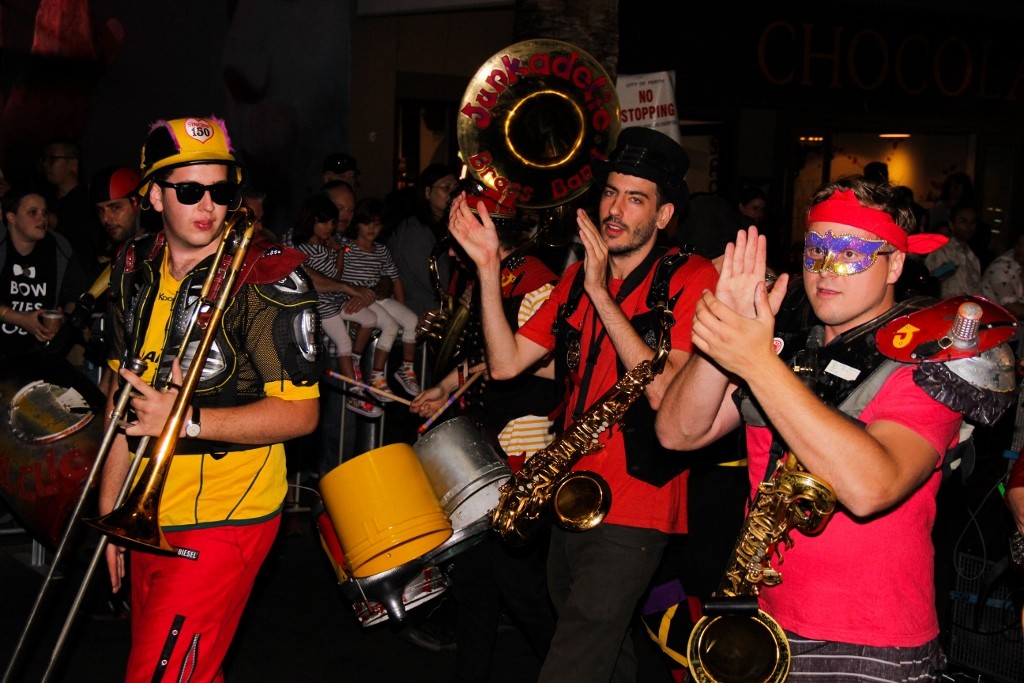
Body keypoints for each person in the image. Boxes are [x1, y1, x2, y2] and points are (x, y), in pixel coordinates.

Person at [655, 175, 1012, 680]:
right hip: (761, 625)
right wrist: (725, 334)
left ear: (893, 264)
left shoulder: (926, 364)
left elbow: (872, 487)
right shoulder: (787, 351)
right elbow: (677, 432)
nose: (826, 269)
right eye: (816, 249)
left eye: (849, 251)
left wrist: (758, 363)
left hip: (870, 643)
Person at [447, 125, 719, 682]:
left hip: (639, 497)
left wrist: (603, 293)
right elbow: (504, 364)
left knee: (573, 658)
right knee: (606, 656)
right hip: (569, 489)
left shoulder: (691, 277)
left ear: (664, 216)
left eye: (635, 198)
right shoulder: (575, 278)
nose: (615, 209)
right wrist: (486, 266)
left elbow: (669, 391)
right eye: (611, 193)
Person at [96, 115, 323, 683]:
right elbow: (122, 405)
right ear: (152, 195)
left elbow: (302, 414)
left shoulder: (268, 277)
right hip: (147, 508)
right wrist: (111, 516)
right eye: (190, 190)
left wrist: (186, 419)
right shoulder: (132, 268)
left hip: (227, 514)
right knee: (190, 669)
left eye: (222, 191)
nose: (209, 205)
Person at [410, 186, 559, 682]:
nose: (452, 248)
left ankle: (573, 668)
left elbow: (553, 366)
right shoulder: (486, 276)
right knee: (476, 582)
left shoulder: (538, 281)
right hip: (484, 443)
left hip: (522, 442)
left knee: (520, 586)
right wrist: (444, 388)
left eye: (462, 234)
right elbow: (488, 358)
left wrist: (503, 366)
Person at [290, 191, 381, 418]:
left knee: (370, 319)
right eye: (325, 222)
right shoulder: (302, 250)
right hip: (323, 307)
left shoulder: (326, 246)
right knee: (343, 342)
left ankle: (355, 363)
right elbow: (325, 278)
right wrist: (337, 254)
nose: (330, 227)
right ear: (312, 221)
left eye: (332, 222)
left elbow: (336, 276)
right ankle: (355, 392)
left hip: (336, 302)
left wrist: (339, 253)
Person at [341, 196, 421, 398]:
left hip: (375, 297)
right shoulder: (346, 248)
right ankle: (377, 375)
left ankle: (407, 369)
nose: (371, 229)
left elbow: (395, 279)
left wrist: (400, 307)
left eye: (376, 225)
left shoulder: (382, 250)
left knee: (411, 320)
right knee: (390, 325)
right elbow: (338, 276)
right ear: (357, 224)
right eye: (366, 223)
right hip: (357, 297)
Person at [0, 186, 88, 360]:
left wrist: (65, 320)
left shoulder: (60, 248)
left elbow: (77, 295)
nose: (42, 218)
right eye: (33, 212)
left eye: (44, 212)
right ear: (11, 217)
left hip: (39, 354)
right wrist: (21, 319)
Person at [387, 163, 458, 319]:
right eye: (446, 188)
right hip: (418, 314)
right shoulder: (414, 231)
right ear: (427, 192)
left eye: (456, 188)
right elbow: (436, 280)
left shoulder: (444, 226)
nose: (453, 194)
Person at [40, 137, 98, 273]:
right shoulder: (45, 198)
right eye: (44, 159)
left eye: (52, 159)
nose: (46, 165)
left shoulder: (88, 200)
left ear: (72, 164)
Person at [90, 165, 142, 278]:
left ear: (135, 203)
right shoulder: (98, 256)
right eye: (100, 210)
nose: (105, 219)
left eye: (115, 207)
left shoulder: (163, 249)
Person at [924, 203, 982, 297]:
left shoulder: (973, 258)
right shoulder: (941, 251)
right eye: (963, 221)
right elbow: (927, 286)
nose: (969, 226)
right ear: (951, 225)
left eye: (972, 222)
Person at [981, 233, 1024, 319]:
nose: (1021, 249)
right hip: (994, 325)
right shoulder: (1000, 267)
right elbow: (1015, 310)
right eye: (1019, 244)